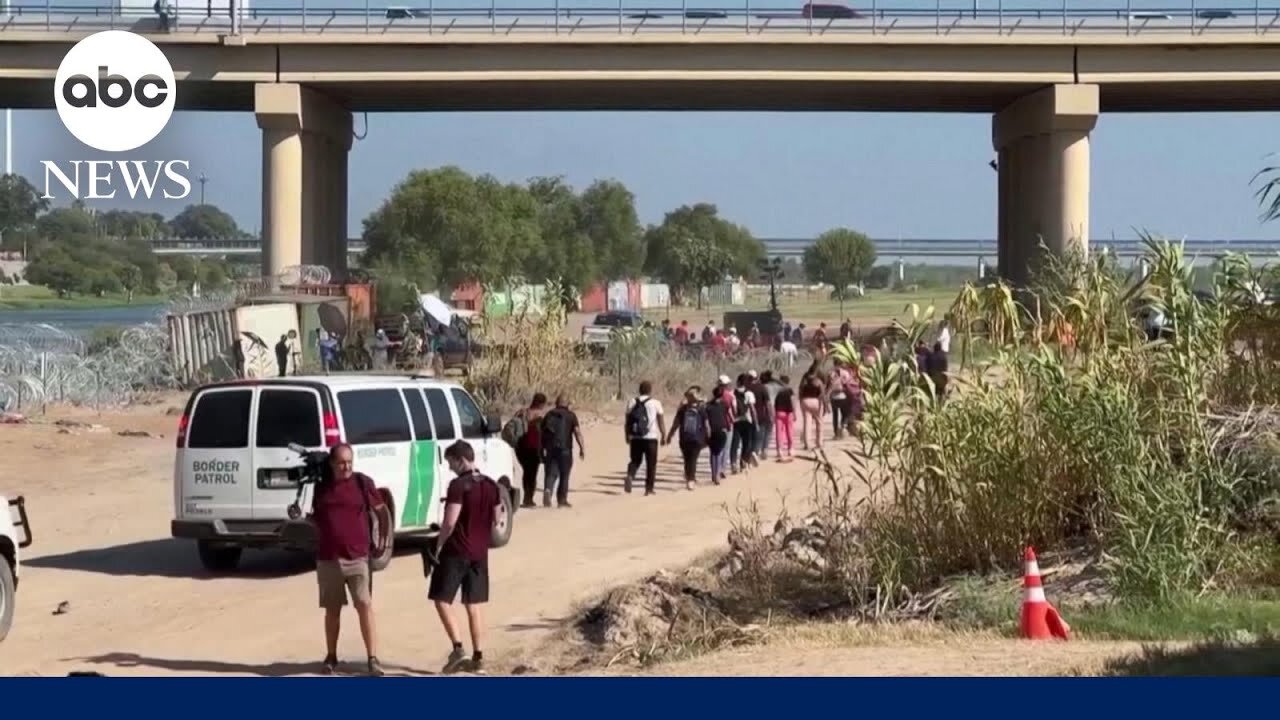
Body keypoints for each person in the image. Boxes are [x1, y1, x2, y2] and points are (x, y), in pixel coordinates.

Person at [311, 444, 391, 676]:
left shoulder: (362, 483)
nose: (346, 467)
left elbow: (382, 512)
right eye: (341, 463)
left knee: (364, 605)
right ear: (332, 464)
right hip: (328, 559)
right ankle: (331, 656)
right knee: (332, 610)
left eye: (349, 462)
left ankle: (372, 659)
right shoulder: (320, 487)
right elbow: (314, 518)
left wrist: (383, 542)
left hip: (358, 557)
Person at [428, 441, 502, 674]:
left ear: (461, 460)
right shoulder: (491, 485)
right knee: (473, 604)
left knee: (441, 599)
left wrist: (438, 544)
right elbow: (496, 518)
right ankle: (478, 656)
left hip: (457, 550)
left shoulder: (458, 486)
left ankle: (458, 648)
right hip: (480, 553)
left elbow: (450, 522)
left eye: (451, 462)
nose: (450, 467)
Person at [541, 394, 584, 508]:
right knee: (564, 475)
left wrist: (542, 449)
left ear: (556, 403)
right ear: (567, 404)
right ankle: (562, 500)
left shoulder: (549, 415)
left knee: (551, 473)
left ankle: (548, 490)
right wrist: (582, 448)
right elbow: (577, 432)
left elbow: (542, 433)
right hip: (565, 450)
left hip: (551, 449)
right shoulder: (571, 416)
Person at [624, 381, 666, 495]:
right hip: (651, 437)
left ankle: (630, 475)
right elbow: (660, 420)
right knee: (651, 463)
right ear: (650, 390)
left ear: (640, 390)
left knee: (635, 460)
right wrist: (663, 435)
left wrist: (627, 435)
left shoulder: (632, 402)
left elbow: (627, 421)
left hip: (636, 437)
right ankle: (649, 488)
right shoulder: (656, 403)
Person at [666, 386, 709, 491]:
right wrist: (708, 437)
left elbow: (675, 424)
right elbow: (707, 425)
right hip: (697, 438)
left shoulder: (682, 409)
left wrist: (670, 435)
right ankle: (691, 479)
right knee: (693, 459)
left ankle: (689, 477)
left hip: (684, 438)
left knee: (687, 459)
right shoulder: (701, 409)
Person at [514, 393, 548, 509]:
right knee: (532, 474)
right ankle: (528, 499)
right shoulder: (541, 416)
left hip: (520, 448)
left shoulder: (521, 412)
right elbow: (544, 434)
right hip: (534, 449)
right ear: (542, 404)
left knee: (526, 472)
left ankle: (527, 498)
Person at [728, 373, 758, 473]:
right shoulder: (749, 394)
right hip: (747, 421)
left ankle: (733, 463)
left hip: (736, 421)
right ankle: (743, 463)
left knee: (735, 444)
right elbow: (752, 409)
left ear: (737, 382)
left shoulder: (732, 393)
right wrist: (756, 422)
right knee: (746, 443)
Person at [705, 380, 731, 484]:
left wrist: (707, 434)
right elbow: (727, 415)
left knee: (712, 453)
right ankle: (717, 474)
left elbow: (706, 422)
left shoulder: (707, 406)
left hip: (712, 431)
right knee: (719, 452)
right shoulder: (724, 405)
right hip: (722, 431)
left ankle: (713, 473)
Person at [798, 362, 825, 450]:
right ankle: (819, 442)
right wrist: (825, 404)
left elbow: (800, 391)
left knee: (807, 423)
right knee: (819, 423)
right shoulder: (818, 381)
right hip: (816, 401)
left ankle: (807, 443)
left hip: (805, 401)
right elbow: (822, 394)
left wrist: (801, 400)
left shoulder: (805, 379)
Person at [753, 370, 777, 460]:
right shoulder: (774, 386)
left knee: (760, 433)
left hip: (760, 412)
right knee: (768, 432)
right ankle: (764, 450)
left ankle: (757, 450)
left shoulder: (760, 387)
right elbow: (769, 403)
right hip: (770, 410)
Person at [773, 374, 796, 461]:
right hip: (788, 412)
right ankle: (790, 449)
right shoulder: (790, 390)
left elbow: (773, 402)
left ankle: (779, 450)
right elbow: (793, 401)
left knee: (779, 432)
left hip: (779, 412)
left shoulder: (777, 391)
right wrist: (794, 412)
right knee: (789, 431)